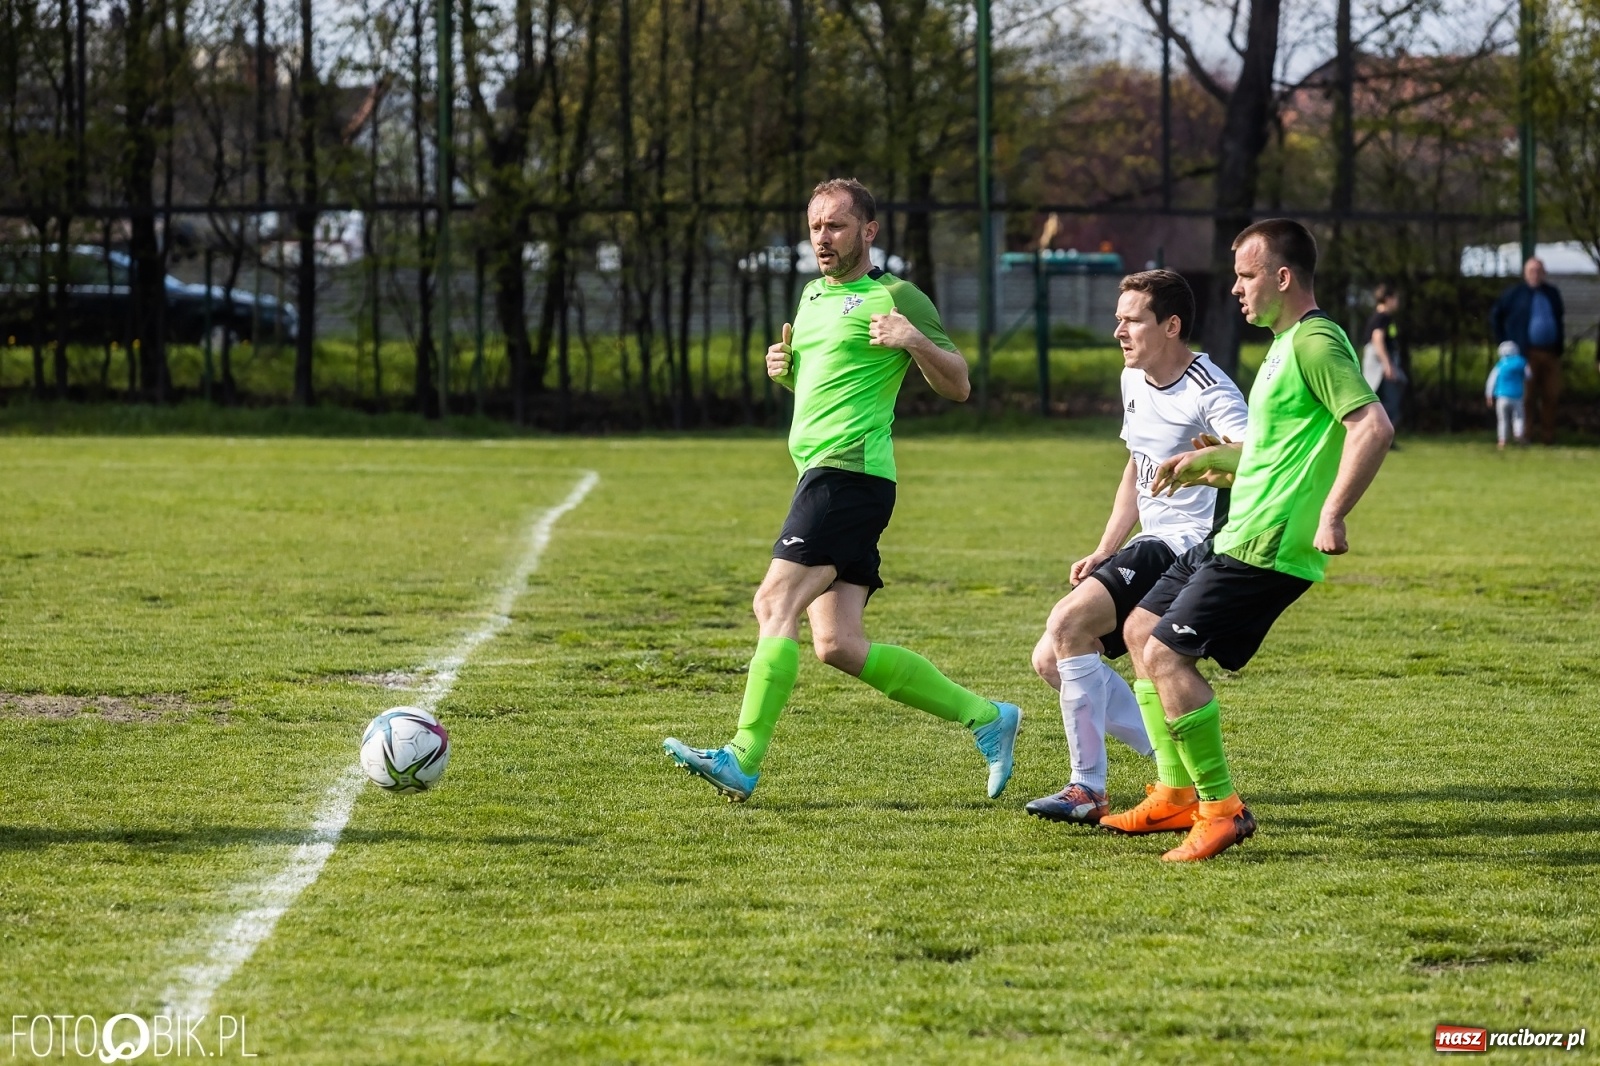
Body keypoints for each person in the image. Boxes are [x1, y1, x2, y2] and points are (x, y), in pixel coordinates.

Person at [662, 178, 1021, 802]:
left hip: (848, 474)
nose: (821, 238)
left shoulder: (896, 294)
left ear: (868, 231)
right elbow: (828, 382)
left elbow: (959, 382)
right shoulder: (810, 295)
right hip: (827, 474)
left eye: (835, 226)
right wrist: (787, 372)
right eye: (815, 226)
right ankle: (987, 718)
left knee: (773, 602)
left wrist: (913, 341)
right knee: (837, 644)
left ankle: (742, 758)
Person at [1117, 218, 1393, 862]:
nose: (1237, 288)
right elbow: (1272, 456)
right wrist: (1208, 462)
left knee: (1164, 657)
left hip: (1267, 545)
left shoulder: (1317, 343)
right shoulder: (1280, 345)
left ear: (1283, 276)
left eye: (1246, 275)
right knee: (1138, 630)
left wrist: (1334, 513)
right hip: (1235, 532)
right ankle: (1173, 793)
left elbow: (1371, 426)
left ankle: (1220, 810)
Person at [1024, 270, 1249, 825]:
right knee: (1051, 660)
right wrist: (1107, 545)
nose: (1118, 330)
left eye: (1131, 320)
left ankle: (1088, 788)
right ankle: (1172, 764)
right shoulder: (1134, 379)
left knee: (1068, 623)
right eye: (1117, 318)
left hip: (1187, 546)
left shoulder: (1210, 390)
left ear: (1171, 326)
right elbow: (1137, 466)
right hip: (1148, 540)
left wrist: (1212, 460)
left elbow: (1255, 452)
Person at [1490, 258, 1565, 445]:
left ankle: (1548, 436)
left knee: (1551, 395)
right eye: (1531, 270)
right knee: (1526, 397)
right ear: (1525, 273)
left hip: (1550, 352)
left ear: (1544, 273)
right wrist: (1504, 342)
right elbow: (1495, 316)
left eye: (1538, 270)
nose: (1535, 274)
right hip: (1525, 354)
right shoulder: (1515, 294)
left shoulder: (1552, 293)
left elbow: (1559, 318)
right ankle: (1525, 435)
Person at [1361, 283, 1405, 436]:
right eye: (1395, 299)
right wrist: (1387, 364)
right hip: (1380, 365)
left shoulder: (1379, 318)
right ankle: (1380, 436)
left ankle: (1381, 436)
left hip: (1380, 363)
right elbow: (1377, 339)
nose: (1397, 303)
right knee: (1389, 402)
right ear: (1388, 299)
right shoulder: (1382, 318)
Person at [1485, 340, 1529, 449]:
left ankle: (1502, 440)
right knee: (1518, 417)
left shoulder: (1500, 365)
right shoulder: (1521, 362)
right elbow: (1529, 375)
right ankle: (1518, 434)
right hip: (1517, 396)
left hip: (1502, 396)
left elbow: (1492, 380)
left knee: (1502, 419)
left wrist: (1489, 395)